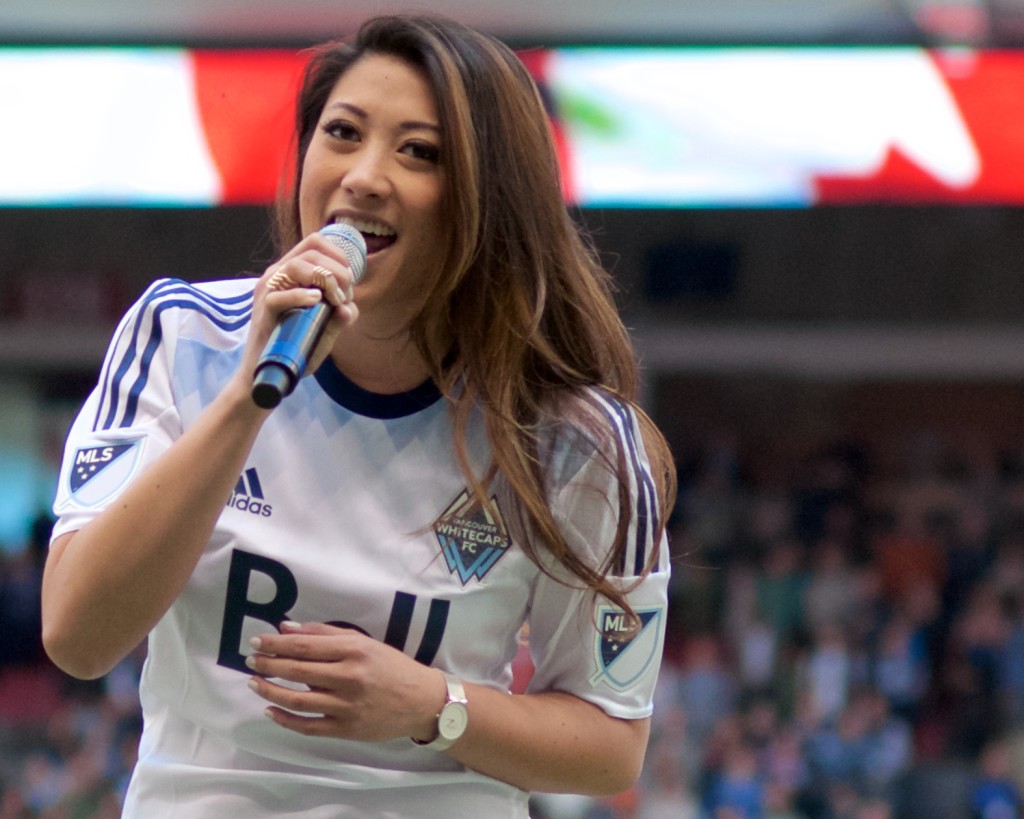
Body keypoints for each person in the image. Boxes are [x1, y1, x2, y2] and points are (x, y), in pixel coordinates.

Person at [40, 13, 677, 819]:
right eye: (342, 133)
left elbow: (610, 745)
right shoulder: (181, 336)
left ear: (491, 201)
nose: (365, 175)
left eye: (419, 152)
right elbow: (78, 635)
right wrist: (246, 397)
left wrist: (432, 705)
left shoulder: (577, 438)